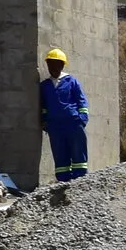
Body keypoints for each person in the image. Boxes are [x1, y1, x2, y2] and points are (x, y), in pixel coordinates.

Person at [40, 49, 89, 183]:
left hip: (73, 123)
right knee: (60, 154)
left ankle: (80, 180)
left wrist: (82, 118)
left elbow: (82, 101)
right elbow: (43, 106)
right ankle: (63, 182)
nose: (53, 68)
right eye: (50, 65)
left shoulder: (71, 81)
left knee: (78, 151)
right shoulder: (45, 86)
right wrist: (45, 122)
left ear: (62, 65)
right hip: (55, 126)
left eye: (56, 65)